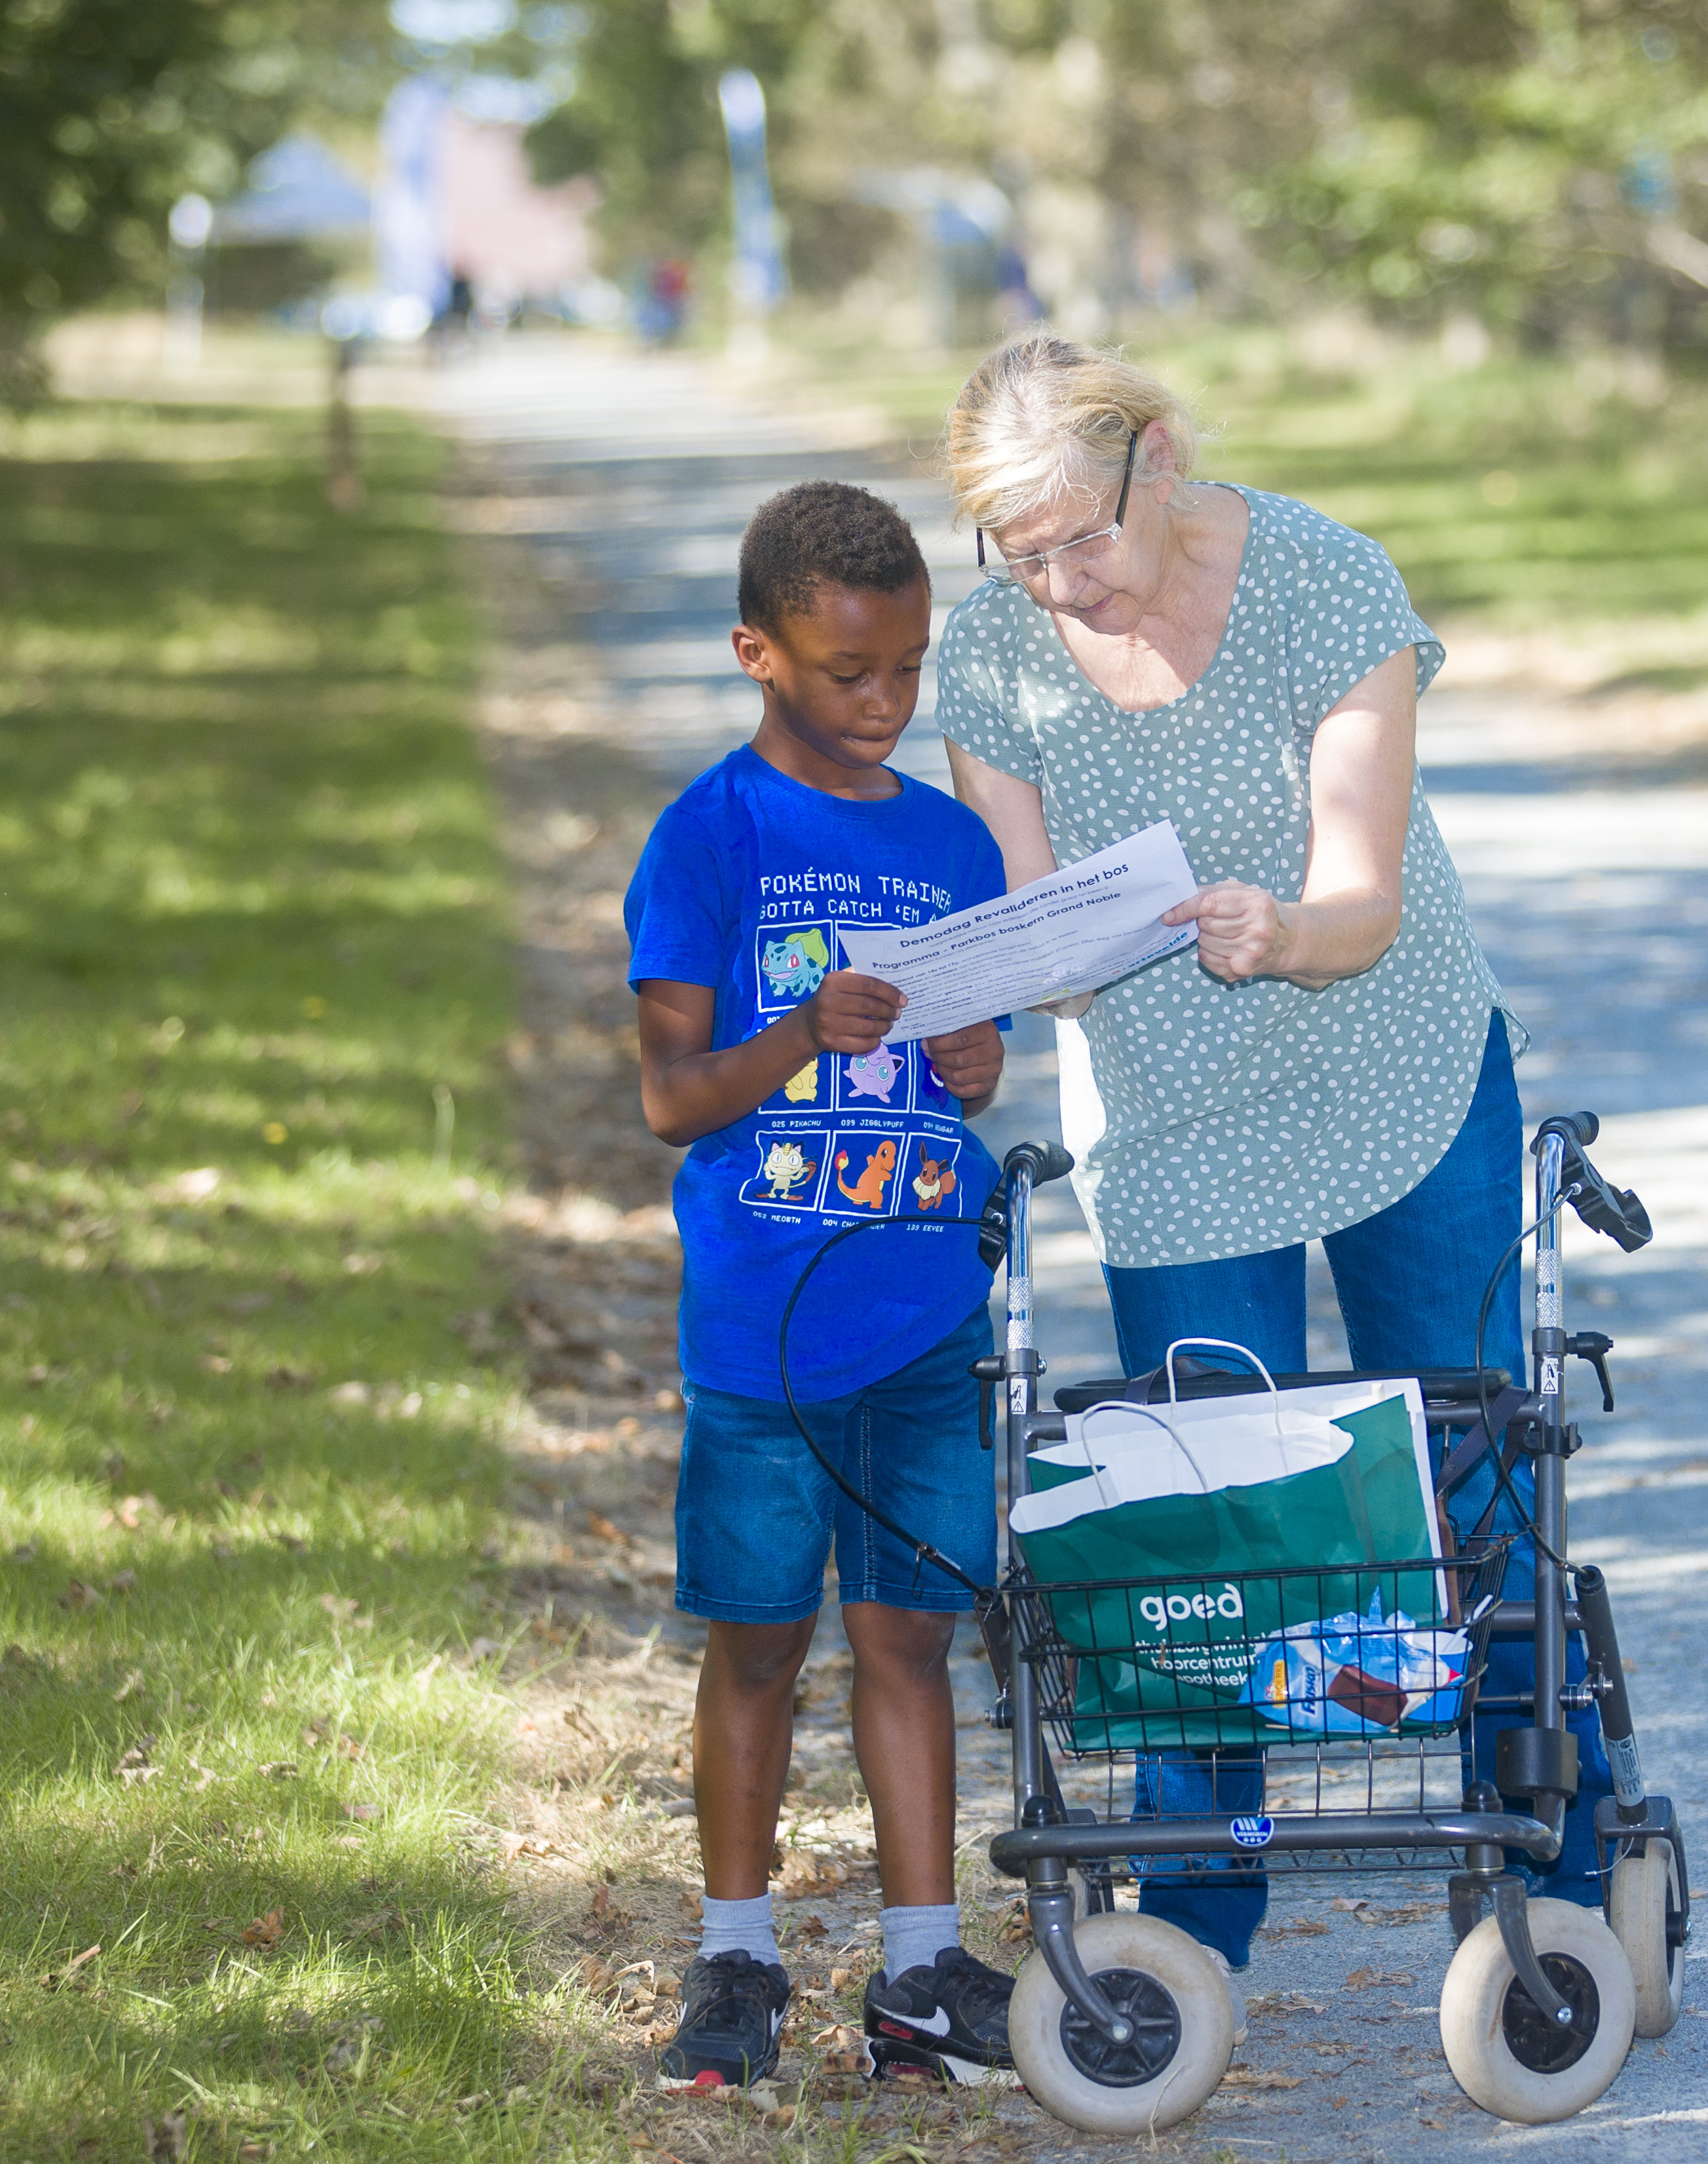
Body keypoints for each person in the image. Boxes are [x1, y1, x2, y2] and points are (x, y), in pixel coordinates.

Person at [931, 333, 1610, 1970]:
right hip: (1172, 1117)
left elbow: (1361, 897)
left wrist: (1281, 926)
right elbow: (1038, 939)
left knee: (1470, 1470)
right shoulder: (993, 658)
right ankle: (1196, 1906)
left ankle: (1557, 1871)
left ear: (1155, 454)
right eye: (1017, 555)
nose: (1060, 583)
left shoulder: (1325, 579)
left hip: (1396, 1061)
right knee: (1207, 1499)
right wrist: (1012, 973)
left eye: (1077, 539)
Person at [622, 481, 1018, 2090]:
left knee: (911, 1640)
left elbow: (963, 1074)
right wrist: (802, 1034)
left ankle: (923, 1973)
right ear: (757, 652)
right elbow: (671, 1093)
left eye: (908, 670)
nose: (885, 704)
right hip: (765, 1322)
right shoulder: (707, 836)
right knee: (761, 1645)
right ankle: (735, 1954)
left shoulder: (948, 839)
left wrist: (972, 1062)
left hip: (925, 1306)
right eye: (849, 672)